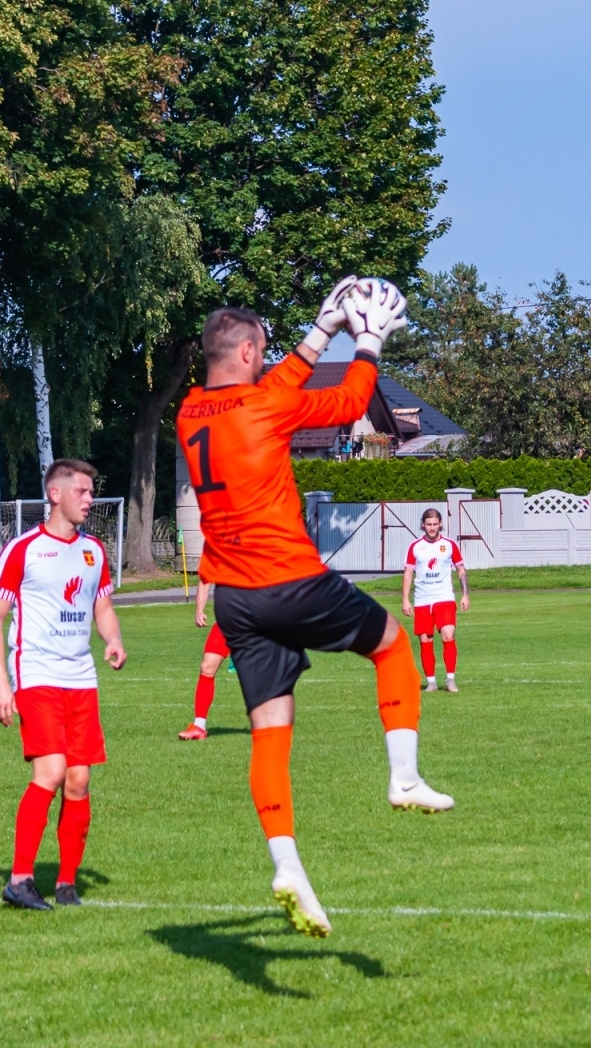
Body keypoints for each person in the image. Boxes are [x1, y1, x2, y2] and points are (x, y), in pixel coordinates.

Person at [174, 279, 452, 940]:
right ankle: (404, 777)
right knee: (391, 641)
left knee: (272, 730)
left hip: (238, 601)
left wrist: (321, 328)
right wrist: (369, 337)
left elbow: (272, 384)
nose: (271, 360)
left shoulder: (189, 411)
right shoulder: (265, 407)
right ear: (244, 352)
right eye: (262, 351)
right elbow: (353, 400)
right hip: (289, 577)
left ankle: (288, 866)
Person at [0, 458, 126, 911]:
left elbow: (101, 605)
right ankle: (20, 879)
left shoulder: (94, 552)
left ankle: (66, 885)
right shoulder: (24, 549)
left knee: (79, 781)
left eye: (91, 491)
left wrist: (114, 638)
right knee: (51, 772)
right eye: (82, 491)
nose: (90, 499)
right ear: (56, 494)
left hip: (81, 677)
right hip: (37, 674)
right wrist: (0, 684)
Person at [401, 508, 470, 693]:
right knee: (426, 640)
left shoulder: (449, 545)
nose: (432, 528)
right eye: (428, 524)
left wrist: (465, 594)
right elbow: (408, 574)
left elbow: (461, 570)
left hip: (444, 597)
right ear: (423, 524)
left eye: (435, 524)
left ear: (440, 524)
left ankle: (450, 680)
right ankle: (431, 682)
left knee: (448, 634)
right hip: (422, 600)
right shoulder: (415, 546)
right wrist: (405, 600)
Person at [178, 581, 230, 740]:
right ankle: (199, 726)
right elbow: (204, 581)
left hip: (257, 621)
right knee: (207, 667)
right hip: (227, 622)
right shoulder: (215, 556)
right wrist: (199, 610)